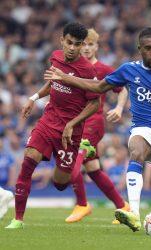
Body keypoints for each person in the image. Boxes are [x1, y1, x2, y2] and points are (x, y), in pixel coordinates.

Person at [44, 19, 151, 236]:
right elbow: (99, 87)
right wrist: (66, 79)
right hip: (142, 129)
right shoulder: (128, 70)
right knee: (136, 150)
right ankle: (133, 212)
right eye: (149, 49)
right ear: (140, 49)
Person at [5, 22, 101, 229]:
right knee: (28, 161)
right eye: (69, 43)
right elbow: (53, 83)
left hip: (71, 133)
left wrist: (73, 123)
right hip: (48, 122)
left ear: (82, 44)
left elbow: (95, 103)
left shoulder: (87, 69)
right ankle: (18, 219)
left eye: (77, 44)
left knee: (60, 183)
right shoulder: (56, 56)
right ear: (62, 41)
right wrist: (34, 97)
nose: (73, 48)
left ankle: (78, 154)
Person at [65, 28, 129, 224]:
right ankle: (123, 207)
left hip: (93, 123)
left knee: (72, 163)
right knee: (93, 169)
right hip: (76, 124)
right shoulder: (72, 68)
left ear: (97, 46)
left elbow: (123, 89)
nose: (86, 48)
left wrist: (119, 107)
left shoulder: (103, 69)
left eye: (90, 44)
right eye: (82, 44)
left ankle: (82, 204)